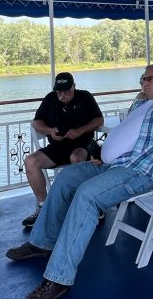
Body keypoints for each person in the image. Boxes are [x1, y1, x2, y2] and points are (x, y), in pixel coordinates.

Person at [6, 64, 153, 299]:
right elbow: (126, 136)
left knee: (87, 196)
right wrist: (101, 152)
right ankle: (42, 242)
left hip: (141, 173)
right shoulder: (140, 103)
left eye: (149, 79)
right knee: (67, 177)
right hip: (113, 165)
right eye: (142, 79)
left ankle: (58, 278)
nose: (143, 83)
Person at [20, 72, 104, 228]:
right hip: (57, 147)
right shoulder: (50, 99)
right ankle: (44, 207)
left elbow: (99, 120)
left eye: (66, 90)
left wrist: (80, 130)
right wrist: (50, 131)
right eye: (59, 91)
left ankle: (91, 204)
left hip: (82, 144)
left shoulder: (85, 97)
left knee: (76, 159)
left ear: (74, 87)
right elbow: (37, 122)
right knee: (30, 161)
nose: (63, 94)